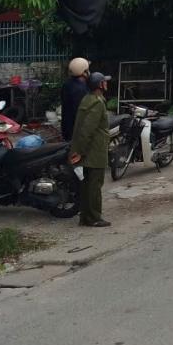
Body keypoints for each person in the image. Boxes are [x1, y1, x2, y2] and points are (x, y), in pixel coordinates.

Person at [69, 71, 112, 228]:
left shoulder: (87, 99)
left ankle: (85, 217)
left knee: (87, 185)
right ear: (100, 85)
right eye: (104, 81)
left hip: (86, 149)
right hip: (94, 151)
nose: (107, 84)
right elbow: (88, 129)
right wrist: (80, 151)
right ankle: (94, 217)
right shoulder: (97, 103)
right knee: (94, 186)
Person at [61, 58, 90, 141]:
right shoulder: (81, 89)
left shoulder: (67, 84)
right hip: (77, 130)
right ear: (84, 72)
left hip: (67, 127)